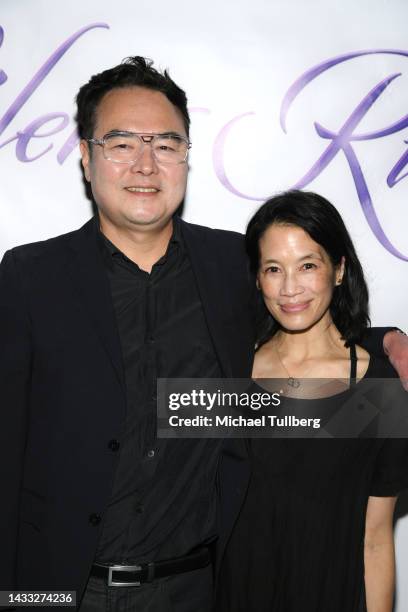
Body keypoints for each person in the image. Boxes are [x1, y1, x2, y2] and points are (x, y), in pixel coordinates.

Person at [0, 58, 406, 611]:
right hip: (62, 592)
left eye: (166, 144)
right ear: (85, 156)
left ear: (186, 156)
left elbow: (298, 309)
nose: (146, 164)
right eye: (121, 143)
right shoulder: (28, 278)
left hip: (199, 591)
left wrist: (385, 341)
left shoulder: (228, 267)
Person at [216, 190, 408, 612]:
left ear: (339, 269)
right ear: (256, 277)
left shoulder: (380, 387)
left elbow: (375, 539)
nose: (289, 289)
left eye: (307, 265)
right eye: (273, 269)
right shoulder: (230, 372)